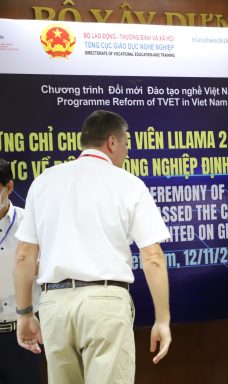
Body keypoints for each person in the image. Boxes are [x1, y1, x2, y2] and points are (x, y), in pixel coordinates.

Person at [13, 110, 172, 384]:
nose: (127, 151)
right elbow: (153, 257)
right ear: (112, 142)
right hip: (105, 304)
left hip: (54, 306)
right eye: (126, 143)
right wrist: (163, 320)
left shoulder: (44, 181)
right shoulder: (128, 184)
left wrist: (25, 313)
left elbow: (24, 255)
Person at [0, 158, 42, 383]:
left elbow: (49, 268)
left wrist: (33, 267)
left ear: (9, 187)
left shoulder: (29, 222)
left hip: (21, 332)